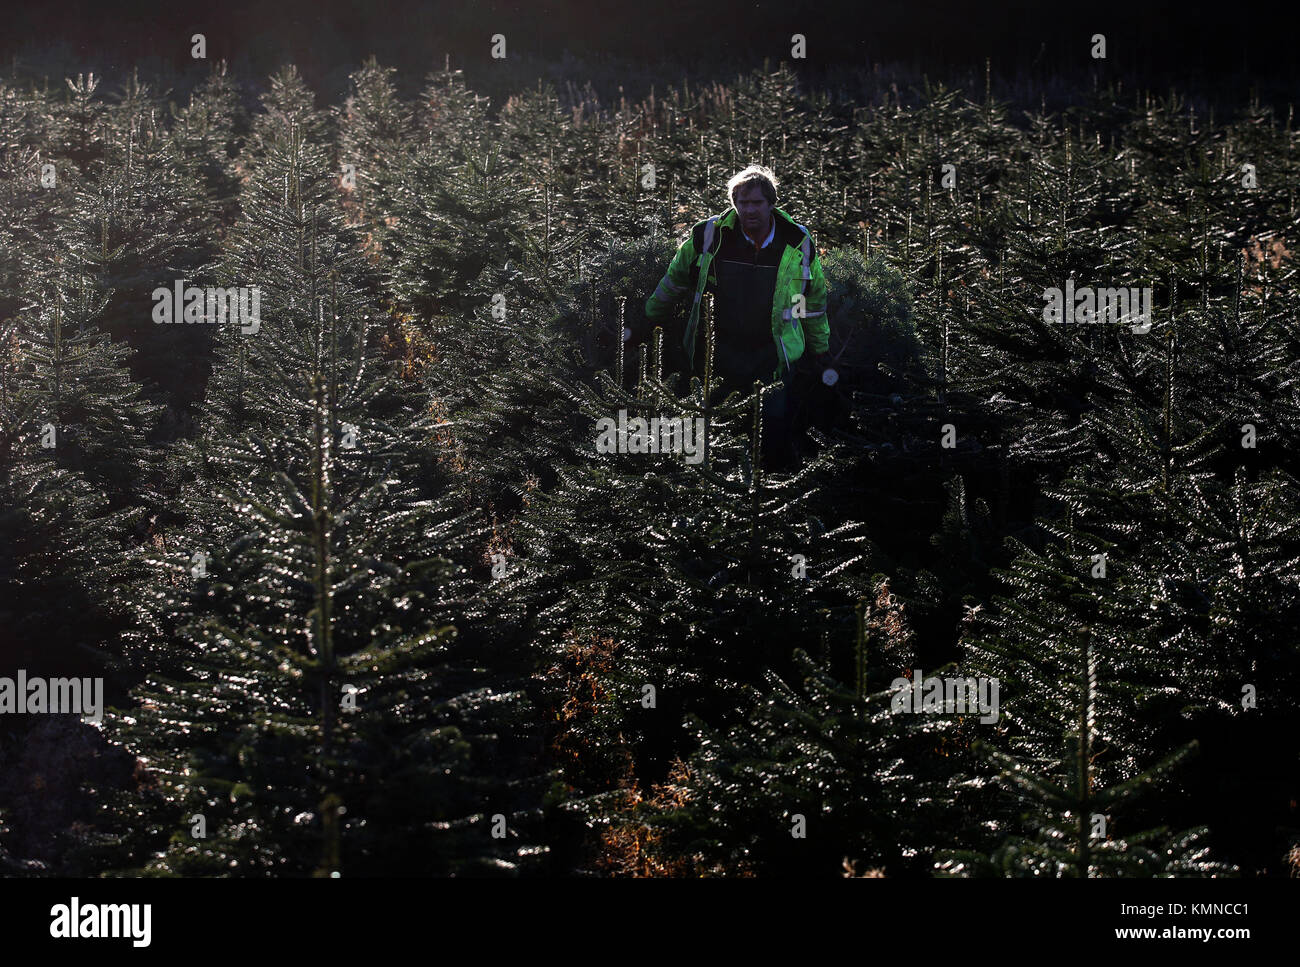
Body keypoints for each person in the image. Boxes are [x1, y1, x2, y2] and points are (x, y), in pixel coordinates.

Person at [642, 165, 833, 466]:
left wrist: (819, 349)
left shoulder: (797, 242)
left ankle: (768, 488)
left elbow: (814, 302)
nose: (749, 210)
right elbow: (675, 279)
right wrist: (651, 316)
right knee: (715, 433)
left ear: (771, 204)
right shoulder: (709, 236)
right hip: (717, 356)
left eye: (756, 202)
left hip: (773, 357)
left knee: (771, 431)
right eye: (742, 203)